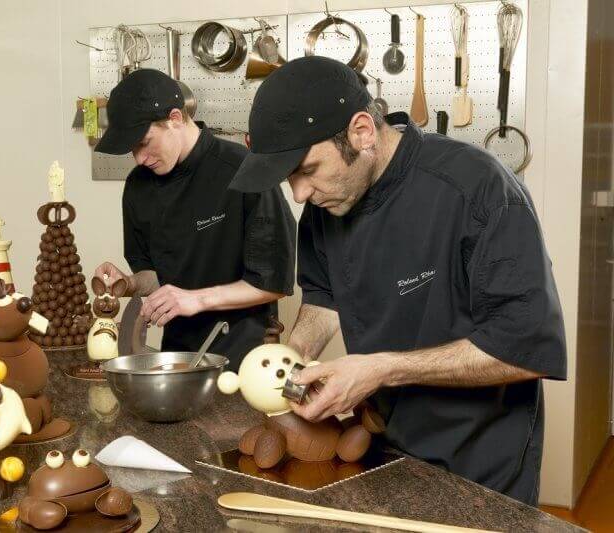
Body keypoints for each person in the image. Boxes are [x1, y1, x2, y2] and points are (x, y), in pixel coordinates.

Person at [228, 56, 567, 505]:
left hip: (480, 465)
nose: (300, 195)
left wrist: (381, 369)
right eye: (292, 179)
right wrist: (291, 358)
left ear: (362, 132)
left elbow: (526, 349)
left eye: (308, 170)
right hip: (384, 445)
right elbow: (324, 296)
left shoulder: (478, 190)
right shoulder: (327, 206)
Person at [93, 68, 295, 369]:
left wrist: (196, 299)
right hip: (178, 357)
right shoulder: (138, 186)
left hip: (245, 355)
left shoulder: (242, 169)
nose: (140, 159)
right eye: (131, 150)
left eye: (145, 142)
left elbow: (274, 281)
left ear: (175, 118)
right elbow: (158, 276)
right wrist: (131, 282)